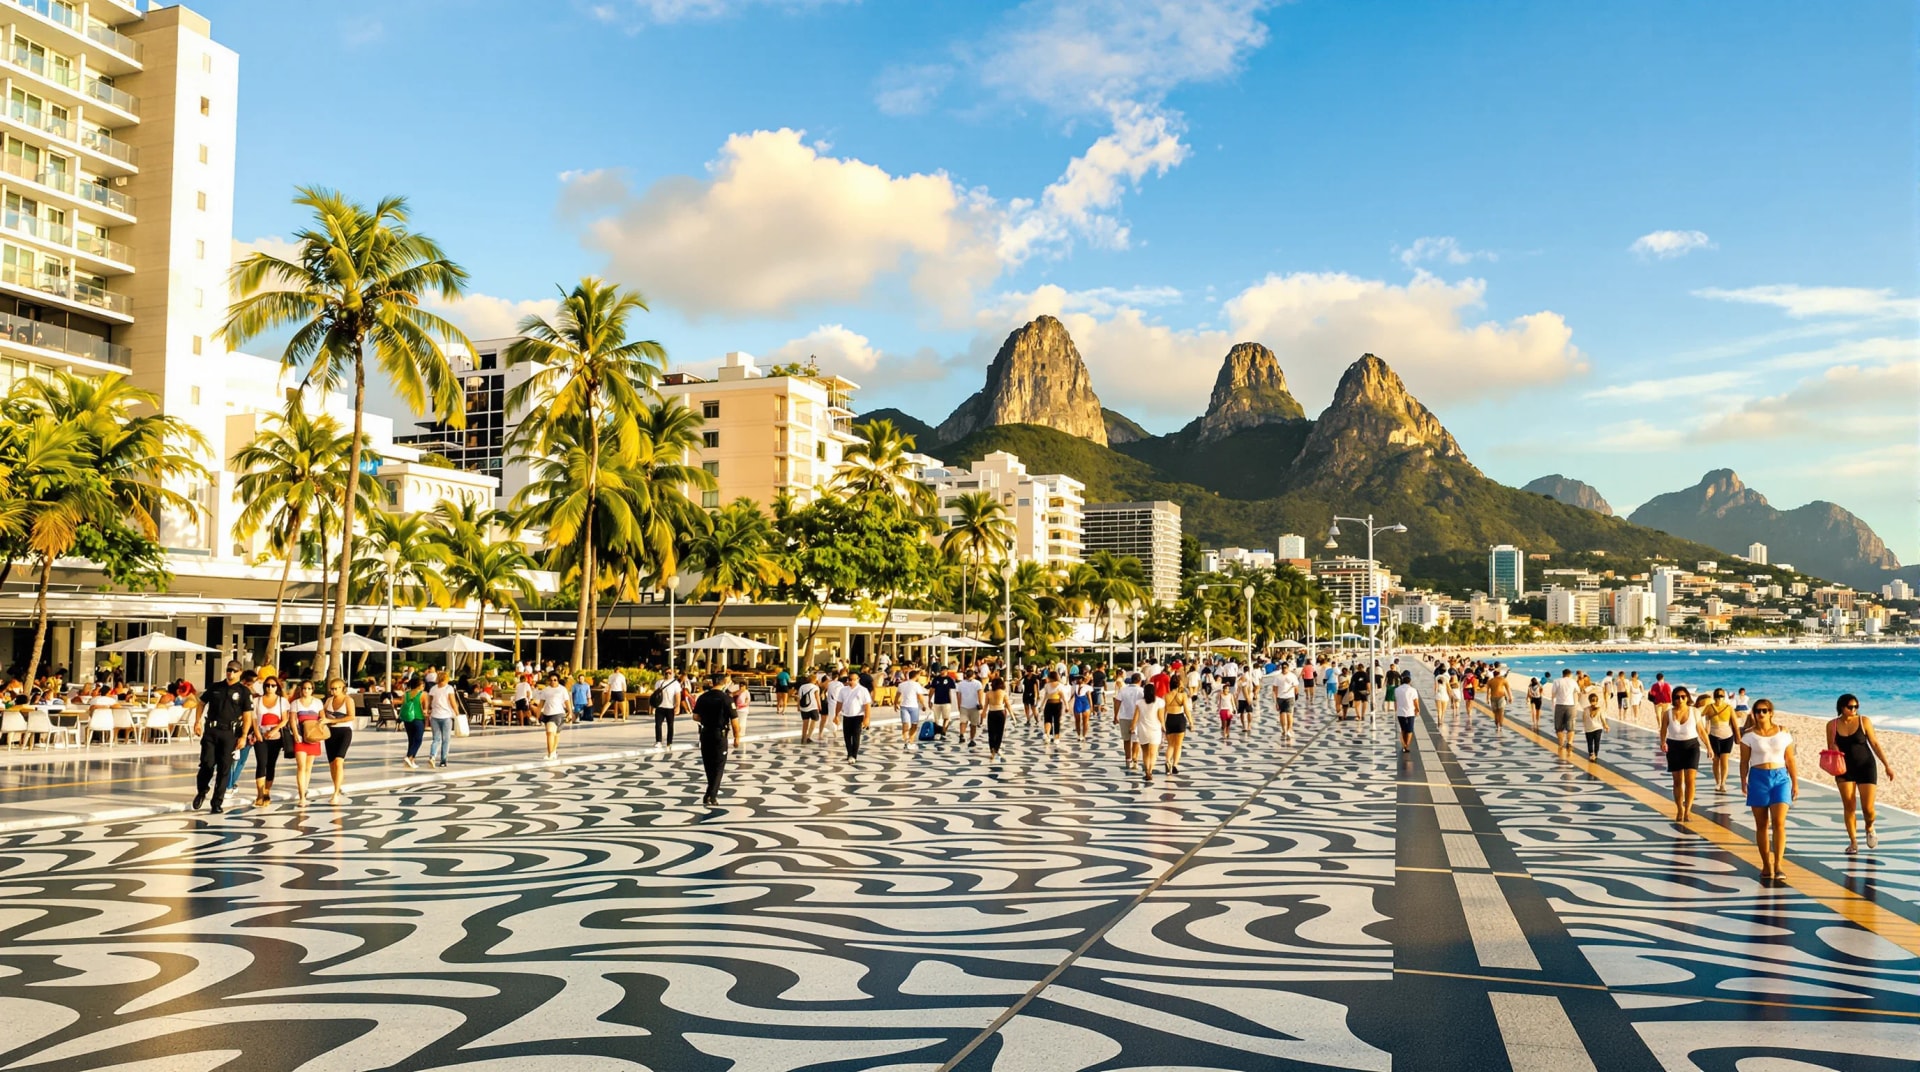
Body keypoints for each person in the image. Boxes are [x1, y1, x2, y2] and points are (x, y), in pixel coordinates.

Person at [1827, 693, 1896, 853]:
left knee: (1868, 809)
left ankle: (1870, 827)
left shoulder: (1864, 721)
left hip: (1866, 766)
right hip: (1844, 768)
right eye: (1850, 707)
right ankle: (1853, 842)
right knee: (1849, 806)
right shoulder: (1832, 725)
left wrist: (1887, 765)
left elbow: (1875, 743)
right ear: (1842, 708)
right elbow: (1831, 744)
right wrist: (1835, 748)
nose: (1854, 710)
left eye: (1856, 707)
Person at [1740, 699, 1797, 880]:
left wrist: (1795, 782)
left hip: (1780, 778)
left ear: (1771, 712)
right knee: (1762, 825)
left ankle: (1778, 864)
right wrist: (1743, 780)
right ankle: (1766, 864)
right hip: (1758, 778)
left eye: (1765, 711)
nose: (1761, 714)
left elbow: (1790, 760)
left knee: (1779, 822)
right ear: (1754, 713)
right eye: (1758, 711)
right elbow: (1744, 761)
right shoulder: (1748, 736)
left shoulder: (1783, 733)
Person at [191, 662, 252, 814]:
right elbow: (201, 703)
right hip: (212, 730)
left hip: (230, 733)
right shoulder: (215, 687)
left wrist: (243, 736)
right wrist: (197, 722)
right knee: (207, 763)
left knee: (224, 768)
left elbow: (247, 715)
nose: (230, 673)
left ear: (240, 673)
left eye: (234, 671)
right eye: (228, 670)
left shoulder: (244, 692)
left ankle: (217, 802)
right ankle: (202, 790)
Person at [1659, 686, 1702, 823]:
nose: (1680, 699)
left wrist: (1709, 747)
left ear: (1687, 698)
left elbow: (1701, 730)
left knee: (1690, 780)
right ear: (1673, 699)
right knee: (1677, 781)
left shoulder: (1694, 712)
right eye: (1677, 697)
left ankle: (1688, 810)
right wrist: (1662, 742)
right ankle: (1680, 809)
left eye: (1683, 697)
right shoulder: (1667, 713)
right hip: (1674, 747)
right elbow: (1663, 729)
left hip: (1692, 747)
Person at [692, 674, 734, 806]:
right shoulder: (726, 699)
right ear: (723, 682)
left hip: (705, 733)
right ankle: (712, 795)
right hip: (719, 735)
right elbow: (735, 720)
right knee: (719, 766)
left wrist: (706, 720)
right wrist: (737, 736)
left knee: (708, 765)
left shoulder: (703, 697)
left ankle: (709, 793)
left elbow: (695, 716)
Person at [249, 678, 288, 808]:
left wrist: (275, 730)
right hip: (261, 735)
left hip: (275, 736)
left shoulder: (282, 701)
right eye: (267, 685)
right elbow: (253, 718)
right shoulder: (256, 701)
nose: (270, 688)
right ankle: (259, 793)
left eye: (273, 685)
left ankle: (267, 791)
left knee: (271, 764)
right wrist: (256, 732)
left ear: (277, 687)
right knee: (261, 763)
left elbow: (284, 719)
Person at [288, 679, 326, 806]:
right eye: (304, 688)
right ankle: (301, 797)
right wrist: (296, 734)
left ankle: (305, 791)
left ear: (312, 690)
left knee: (309, 767)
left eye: (309, 688)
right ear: (301, 689)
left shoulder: (317, 703)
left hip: (313, 736)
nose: (306, 691)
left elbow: (322, 717)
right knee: (301, 766)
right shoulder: (295, 703)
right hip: (300, 737)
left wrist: (320, 730)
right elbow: (292, 720)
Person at [320, 678, 356, 805]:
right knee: (331, 764)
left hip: (344, 731)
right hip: (331, 733)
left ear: (342, 688)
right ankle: (337, 785)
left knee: (338, 761)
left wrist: (331, 721)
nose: (334, 691)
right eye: (332, 688)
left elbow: (351, 716)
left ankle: (335, 793)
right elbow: (322, 713)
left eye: (336, 688)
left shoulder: (348, 700)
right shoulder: (329, 700)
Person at [1701, 688, 1738, 793]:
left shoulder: (1729, 708)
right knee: (1716, 761)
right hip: (1713, 736)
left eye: (1721, 696)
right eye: (1718, 696)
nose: (1719, 698)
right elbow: (1701, 717)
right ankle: (1718, 782)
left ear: (1724, 697)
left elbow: (1735, 723)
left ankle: (1723, 783)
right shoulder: (1709, 707)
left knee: (1725, 761)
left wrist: (1738, 736)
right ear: (1714, 697)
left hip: (1728, 736)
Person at [1133, 682, 1165, 785]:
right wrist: (1163, 727)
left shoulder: (1139, 702)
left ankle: (1147, 771)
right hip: (1155, 730)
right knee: (1153, 753)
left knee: (1145, 752)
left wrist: (1132, 726)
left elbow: (1136, 717)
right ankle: (1150, 771)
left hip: (1143, 729)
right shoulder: (1159, 702)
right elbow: (1161, 717)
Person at [837, 672, 872, 760]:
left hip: (858, 716)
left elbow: (867, 705)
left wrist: (867, 718)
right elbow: (839, 703)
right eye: (850, 679)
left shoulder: (863, 690)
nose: (851, 681)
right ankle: (849, 754)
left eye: (853, 679)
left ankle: (854, 755)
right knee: (847, 736)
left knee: (856, 736)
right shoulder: (843, 690)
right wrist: (836, 715)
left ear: (858, 679)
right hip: (846, 715)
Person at [426, 673, 458, 767]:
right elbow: (452, 702)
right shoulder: (449, 688)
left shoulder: (433, 689)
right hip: (446, 716)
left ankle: (432, 756)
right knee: (446, 739)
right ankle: (443, 760)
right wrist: (456, 711)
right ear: (446, 678)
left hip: (435, 716)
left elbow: (429, 701)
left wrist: (428, 710)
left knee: (436, 739)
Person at [1549, 669, 1581, 757]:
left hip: (1559, 705)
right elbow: (1578, 691)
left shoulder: (1557, 681)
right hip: (1570, 705)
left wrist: (1553, 702)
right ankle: (1570, 742)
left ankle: (1561, 743)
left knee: (1559, 726)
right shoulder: (1573, 682)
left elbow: (1553, 694)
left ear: (1562, 674)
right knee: (1571, 726)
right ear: (1570, 674)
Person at [535, 672, 568, 759]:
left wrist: (570, 713)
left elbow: (567, 702)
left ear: (558, 680)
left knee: (555, 734)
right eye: (551, 680)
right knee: (550, 733)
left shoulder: (562, 689)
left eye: (555, 680)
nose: (553, 681)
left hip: (559, 714)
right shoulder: (545, 690)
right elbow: (541, 704)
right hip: (547, 714)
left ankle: (552, 753)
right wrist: (537, 716)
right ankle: (552, 753)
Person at [1162, 677, 1191, 774]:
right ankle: (1175, 765)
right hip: (1179, 719)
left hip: (1170, 719)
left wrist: (1162, 724)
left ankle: (1167, 762)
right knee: (1178, 745)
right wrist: (1191, 721)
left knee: (1170, 744)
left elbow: (1163, 711)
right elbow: (1186, 710)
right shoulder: (1183, 695)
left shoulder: (1166, 696)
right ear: (1178, 685)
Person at [399, 676, 426, 768]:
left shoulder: (406, 694)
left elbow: (403, 705)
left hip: (407, 719)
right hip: (418, 718)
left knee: (411, 740)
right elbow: (425, 708)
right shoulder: (422, 694)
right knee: (418, 740)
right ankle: (409, 756)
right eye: (422, 685)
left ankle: (411, 760)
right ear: (418, 685)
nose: (423, 686)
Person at [650, 671, 682, 747]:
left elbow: (678, 695)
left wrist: (677, 706)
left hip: (670, 707)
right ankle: (658, 741)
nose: (668, 674)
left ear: (672, 674)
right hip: (660, 707)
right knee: (658, 724)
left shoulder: (675, 683)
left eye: (670, 673)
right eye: (666, 673)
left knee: (670, 725)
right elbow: (656, 695)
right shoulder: (659, 682)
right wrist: (653, 706)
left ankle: (669, 742)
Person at [983, 673, 1010, 761]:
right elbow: (1008, 705)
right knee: (999, 732)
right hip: (1000, 713)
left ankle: (992, 750)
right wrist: (1013, 716)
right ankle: (997, 749)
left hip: (991, 713)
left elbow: (985, 705)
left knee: (991, 732)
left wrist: (983, 714)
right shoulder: (1003, 693)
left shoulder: (988, 693)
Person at [896, 670, 926, 743]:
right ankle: (911, 740)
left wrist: (895, 704)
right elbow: (920, 696)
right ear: (916, 676)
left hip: (904, 706)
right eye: (918, 675)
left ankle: (906, 739)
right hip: (914, 707)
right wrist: (923, 705)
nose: (919, 677)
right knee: (914, 724)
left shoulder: (901, 684)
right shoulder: (917, 685)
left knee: (905, 724)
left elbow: (897, 695)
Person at [956, 669, 984, 747]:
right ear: (973, 675)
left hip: (963, 705)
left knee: (963, 722)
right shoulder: (978, 683)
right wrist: (981, 703)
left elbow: (958, 696)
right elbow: (980, 694)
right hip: (974, 706)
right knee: (973, 724)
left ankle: (962, 735)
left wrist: (959, 705)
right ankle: (972, 739)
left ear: (965, 675)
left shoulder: (960, 684)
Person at [1581, 689, 1609, 761]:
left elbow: (1584, 719)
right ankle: (1595, 754)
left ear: (1589, 701)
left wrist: (1584, 727)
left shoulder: (1585, 709)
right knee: (1597, 742)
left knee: (1590, 743)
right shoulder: (1599, 709)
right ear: (1597, 701)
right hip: (1598, 728)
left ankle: (1591, 754)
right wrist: (1605, 725)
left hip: (1589, 729)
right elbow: (1602, 719)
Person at [1041, 671, 1067, 746]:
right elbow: (1046, 696)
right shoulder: (1048, 685)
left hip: (1054, 704)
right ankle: (1050, 735)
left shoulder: (1058, 686)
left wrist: (1067, 705)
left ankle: (1053, 736)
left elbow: (1062, 696)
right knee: (1051, 720)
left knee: (1053, 720)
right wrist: (1042, 705)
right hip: (1052, 703)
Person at [797, 672, 822, 743]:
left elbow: (799, 697)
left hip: (803, 706)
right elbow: (817, 698)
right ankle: (808, 736)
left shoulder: (802, 686)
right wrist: (819, 706)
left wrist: (798, 706)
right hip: (813, 707)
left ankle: (803, 737)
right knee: (814, 720)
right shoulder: (815, 687)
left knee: (805, 722)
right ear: (814, 680)